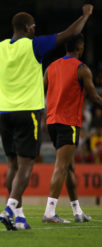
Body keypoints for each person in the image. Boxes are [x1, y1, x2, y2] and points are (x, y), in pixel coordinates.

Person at [0, 4, 93, 230]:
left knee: (12, 165)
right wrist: (85, 15)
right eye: (33, 26)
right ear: (27, 27)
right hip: (28, 113)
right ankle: (9, 207)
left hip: (4, 114)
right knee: (26, 165)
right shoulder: (35, 45)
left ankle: (20, 217)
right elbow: (69, 34)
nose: (35, 29)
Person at [43, 33, 102, 223]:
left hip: (52, 122)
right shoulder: (82, 69)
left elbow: (40, 91)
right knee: (62, 166)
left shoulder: (51, 67)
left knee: (69, 168)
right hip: (69, 122)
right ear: (80, 47)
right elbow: (94, 97)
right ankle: (50, 212)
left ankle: (77, 211)